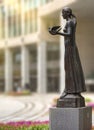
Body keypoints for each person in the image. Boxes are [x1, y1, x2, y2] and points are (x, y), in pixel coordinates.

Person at [49, 7, 86, 99]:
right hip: (71, 48)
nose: (62, 15)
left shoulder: (69, 22)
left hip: (70, 49)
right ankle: (74, 90)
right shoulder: (72, 21)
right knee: (72, 69)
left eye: (63, 13)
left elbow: (70, 34)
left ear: (67, 13)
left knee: (69, 69)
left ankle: (70, 90)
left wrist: (57, 33)